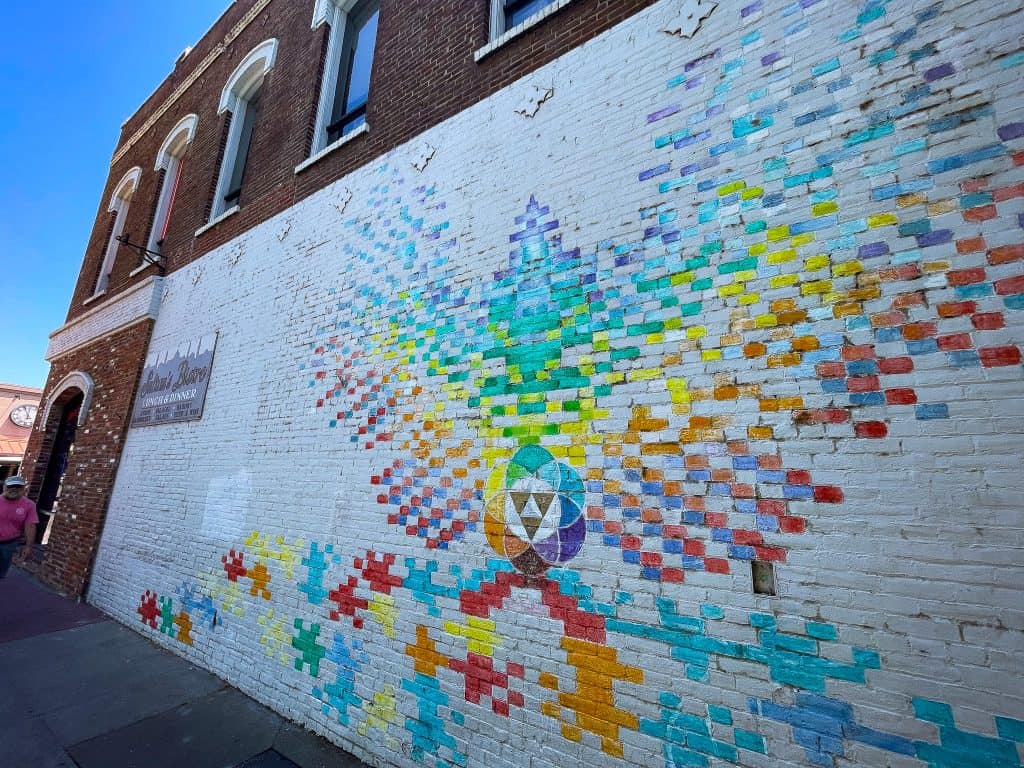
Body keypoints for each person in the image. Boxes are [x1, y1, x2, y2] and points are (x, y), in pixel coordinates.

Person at [0, 475, 38, 579]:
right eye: (11, 486)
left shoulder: (29, 505)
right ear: (4, 487)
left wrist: (28, 546)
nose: (14, 489)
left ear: (24, 489)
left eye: (18, 487)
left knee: (1, 571)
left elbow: (30, 525)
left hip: (9, 543)